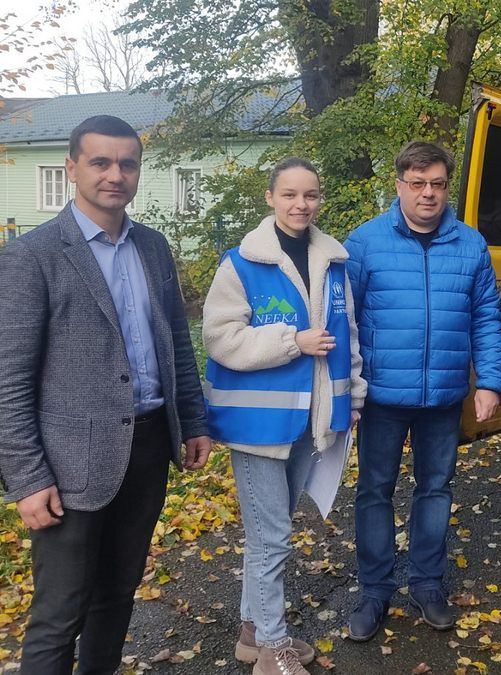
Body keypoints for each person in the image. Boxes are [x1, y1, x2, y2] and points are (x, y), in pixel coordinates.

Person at [0, 115, 212, 675]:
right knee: (60, 612)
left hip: (150, 444)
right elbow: (4, 382)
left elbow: (175, 342)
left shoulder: (153, 248)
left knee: (118, 594)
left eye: (127, 163)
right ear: (71, 168)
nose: (115, 175)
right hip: (69, 466)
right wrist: (28, 478)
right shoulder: (31, 256)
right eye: (100, 162)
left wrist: (194, 418)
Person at [203, 158, 367, 675]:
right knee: (271, 536)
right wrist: (290, 343)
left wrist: (353, 397)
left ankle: (253, 632)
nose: (301, 205)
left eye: (311, 195)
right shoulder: (241, 263)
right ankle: (272, 650)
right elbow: (220, 338)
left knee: (272, 532)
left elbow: (350, 339)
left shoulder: (333, 263)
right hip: (257, 428)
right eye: (290, 195)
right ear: (270, 198)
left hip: (309, 422)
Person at [342, 141, 501, 641]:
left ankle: (428, 585)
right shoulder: (364, 243)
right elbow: (343, 320)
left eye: (436, 183)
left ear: (445, 186)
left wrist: (491, 381)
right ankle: (374, 591)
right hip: (383, 396)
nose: (427, 193)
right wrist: (344, 389)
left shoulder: (471, 244)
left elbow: (485, 317)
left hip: (444, 396)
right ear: (399, 185)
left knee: (435, 490)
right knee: (374, 492)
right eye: (417, 183)